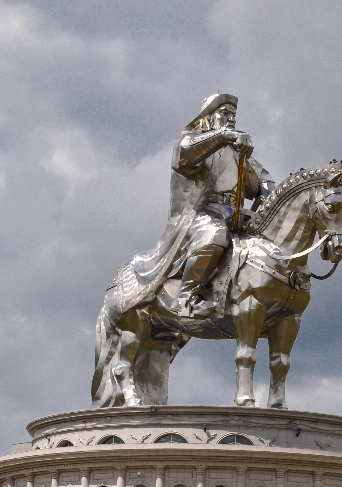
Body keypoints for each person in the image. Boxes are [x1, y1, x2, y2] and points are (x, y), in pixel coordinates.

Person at [112, 94, 274, 319]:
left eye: (234, 115)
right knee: (214, 234)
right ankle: (186, 299)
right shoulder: (191, 141)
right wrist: (222, 135)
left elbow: (263, 180)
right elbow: (187, 156)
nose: (231, 119)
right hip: (201, 214)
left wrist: (270, 200)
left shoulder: (238, 151)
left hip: (236, 215)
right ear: (209, 116)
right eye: (225, 113)